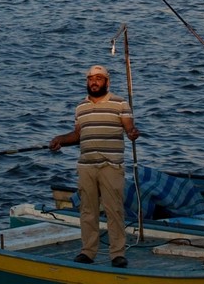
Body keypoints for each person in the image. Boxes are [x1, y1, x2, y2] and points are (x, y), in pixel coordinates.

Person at [49, 65, 140, 268]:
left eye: (99, 78)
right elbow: (78, 135)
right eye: (91, 79)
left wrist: (133, 133)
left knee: (114, 210)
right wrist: (60, 140)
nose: (94, 82)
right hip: (86, 166)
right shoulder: (80, 107)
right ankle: (88, 252)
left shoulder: (120, 103)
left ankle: (117, 253)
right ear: (87, 82)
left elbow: (129, 129)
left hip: (111, 165)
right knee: (87, 211)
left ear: (107, 82)